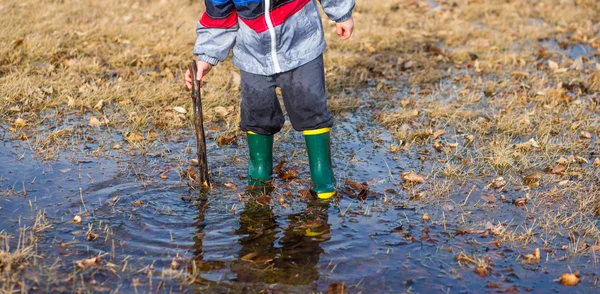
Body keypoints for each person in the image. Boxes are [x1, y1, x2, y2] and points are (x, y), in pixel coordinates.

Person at [185, 0, 355, 199]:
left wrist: (341, 14)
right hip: (253, 54)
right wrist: (206, 57)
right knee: (257, 111)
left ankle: (322, 174)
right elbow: (219, 15)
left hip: (300, 45)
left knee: (310, 106)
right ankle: (259, 173)